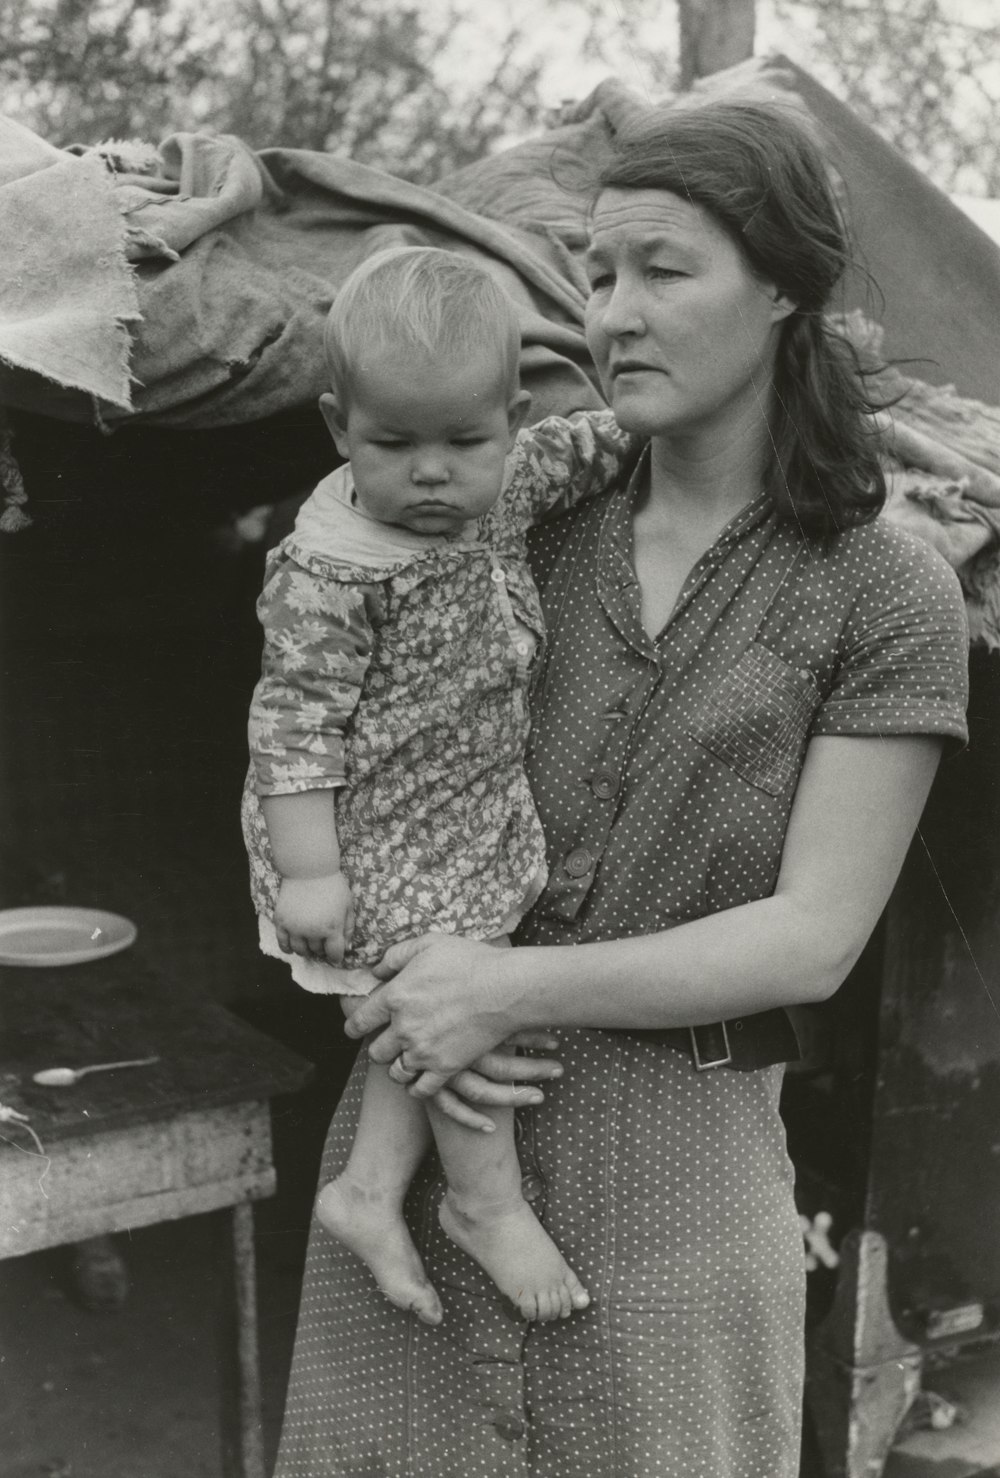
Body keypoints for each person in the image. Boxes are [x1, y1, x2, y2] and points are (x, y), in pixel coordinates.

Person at [271, 100, 970, 1478]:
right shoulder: (513, 510)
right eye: (597, 274)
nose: (615, 312)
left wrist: (499, 986)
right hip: (418, 1143)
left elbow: (813, 936)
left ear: (783, 286)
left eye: (665, 268)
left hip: (679, 1176)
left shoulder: (883, 585)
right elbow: (345, 696)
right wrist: (371, 950)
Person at [242, 246, 634, 1325]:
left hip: (456, 815)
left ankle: (368, 1190)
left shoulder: (497, 486)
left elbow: (580, 450)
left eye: (463, 440)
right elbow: (292, 725)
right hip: (361, 836)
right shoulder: (333, 572)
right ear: (337, 430)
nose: (429, 473)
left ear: (506, 421)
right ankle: (482, 1201)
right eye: (392, 443)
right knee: (457, 1006)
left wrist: (653, 422)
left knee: (441, 1002)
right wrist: (311, 871)